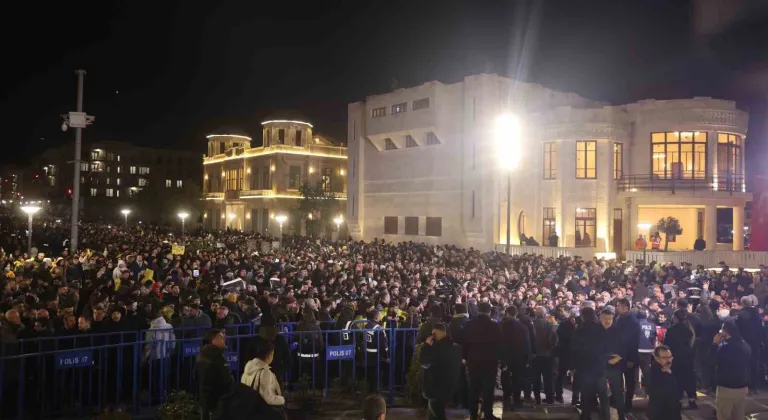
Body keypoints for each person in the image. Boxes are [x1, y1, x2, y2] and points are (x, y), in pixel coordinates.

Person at [463, 301, 501, 420]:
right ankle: (488, 414)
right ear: (489, 312)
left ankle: (473, 414)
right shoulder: (494, 325)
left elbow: (464, 342)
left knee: (474, 388)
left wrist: (465, 357)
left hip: (473, 360)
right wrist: (500, 359)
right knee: (488, 389)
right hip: (489, 361)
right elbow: (498, 344)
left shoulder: (469, 324)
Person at [571, 307, 610, 420]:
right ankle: (606, 417)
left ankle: (586, 416)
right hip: (599, 367)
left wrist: (574, 366)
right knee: (603, 397)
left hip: (585, 367)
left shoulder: (579, 330)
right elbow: (607, 348)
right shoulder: (601, 329)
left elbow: (574, 349)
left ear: (583, 316)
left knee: (586, 396)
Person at [421, 323, 462, 420]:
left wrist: (426, 346)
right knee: (432, 415)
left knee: (438, 414)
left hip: (435, 387)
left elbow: (424, 362)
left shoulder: (436, 348)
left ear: (435, 333)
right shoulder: (456, 347)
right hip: (449, 386)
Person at [713, 321, 750, 420]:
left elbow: (713, 360)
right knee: (738, 415)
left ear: (724, 332)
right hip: (742, 386)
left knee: (723, 415)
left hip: (726, 388)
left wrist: (715, 344)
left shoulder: (725, 347)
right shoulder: (744, 344)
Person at [196, 329, 233, 420]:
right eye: (220, 337)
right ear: (213, 341)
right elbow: (226, 380)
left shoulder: (201, 355)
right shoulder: (218, 357)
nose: (224, 339)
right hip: (218, 400)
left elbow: (195, 376)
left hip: (204, 398)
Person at [664, 309, 697, 409]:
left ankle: (679, 402)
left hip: (676, 358)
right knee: (689, 380)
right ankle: (692, 401)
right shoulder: (689, 330)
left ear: (675, 318)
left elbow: (667, 345)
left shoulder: (671, 330)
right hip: (688, 359)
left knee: (677, 381)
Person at [500, 305, 531, 409]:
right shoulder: (522, 327)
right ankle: (517, 399)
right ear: (516, 313)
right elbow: (527, 343)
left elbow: (498, 343)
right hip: (520, 357)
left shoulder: (501, 326)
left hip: (505, 356)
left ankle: (506, 397)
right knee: (518, 378)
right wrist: (527, 358)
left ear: (506, 313)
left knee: (505, 376)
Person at [241, 338, 286, 409]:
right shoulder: (265, 372)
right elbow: (268, 398)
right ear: (269, 356)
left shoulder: (248, 367)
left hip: (249, 409)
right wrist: (282, 400)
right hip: (261, 412)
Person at [600, 309, 626, 420]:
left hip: (615, 366)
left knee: (618, 394)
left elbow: (625, 347)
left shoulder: (618, 331)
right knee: (602, 395)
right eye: (604, 319)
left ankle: (621, 416)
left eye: (609, 319)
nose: (607, 321)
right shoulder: (596, 331)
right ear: (600, 319)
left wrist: (618, 357)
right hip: (600, 367)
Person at [531, 307, 557, 405]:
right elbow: (554, 340)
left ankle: (537, 399)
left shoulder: (532, 325)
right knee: (548, 379)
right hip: (547, 356)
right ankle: (550, 399)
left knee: (536, 378)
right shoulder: (549, 325)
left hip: (535, 356)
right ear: (544, 314)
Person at [647, 345, 681, 420]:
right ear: (657, 359)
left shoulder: (669, 369)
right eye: (665, 358)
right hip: (662, 413)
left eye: (670, 357)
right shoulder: (658, 372)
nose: (669, 360)